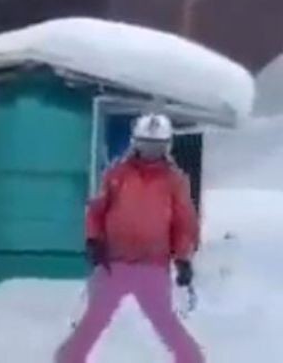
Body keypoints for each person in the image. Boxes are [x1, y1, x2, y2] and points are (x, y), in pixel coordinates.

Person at [55, 113, 203, 363]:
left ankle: (192, 360)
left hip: (153, 264)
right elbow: (97, 210)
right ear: (136, 143)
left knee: (167, 323)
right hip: (114, 263)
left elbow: (184, 224)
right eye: (146, 145)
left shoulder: (174, 181)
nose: (151, 152)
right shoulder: (117, 174)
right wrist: (93, 239)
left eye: (157, 146)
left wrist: (183, 258)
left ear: (167, 146)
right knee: (93, 320)